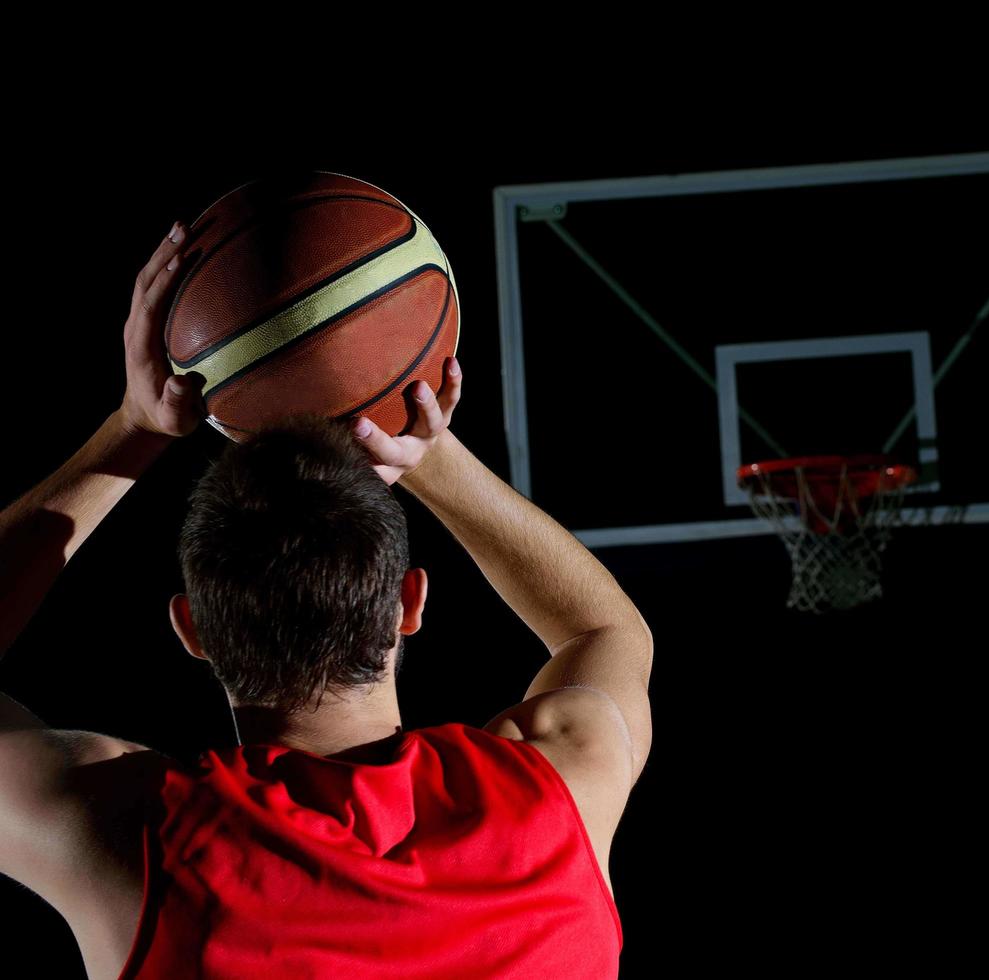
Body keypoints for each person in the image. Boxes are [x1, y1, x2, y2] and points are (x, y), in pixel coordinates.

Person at [0, 219, 652, 978]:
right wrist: (425, 450)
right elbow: (606, 628)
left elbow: (600, 629)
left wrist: (131, 430)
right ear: (409, 603)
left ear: (192, 628)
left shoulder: (132, 834)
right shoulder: (558, 792)